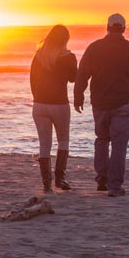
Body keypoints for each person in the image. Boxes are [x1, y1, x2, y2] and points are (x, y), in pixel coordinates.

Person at [74, 13, 129, 196]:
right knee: (119, 145)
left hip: (100, 103)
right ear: (123, 28)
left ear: (107, 27)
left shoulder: (94, 48)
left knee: (101, 140)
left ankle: (101, 179)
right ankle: (114, 186)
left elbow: (82, 74)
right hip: (122, 103)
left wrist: (78, 96)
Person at [30, 24, 78, 193]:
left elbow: (32, 80)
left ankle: (46, 184)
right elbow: (73, 79)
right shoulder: (68, 57)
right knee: (63, 140)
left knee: (44, 144)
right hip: (59, 104)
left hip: (39, 104)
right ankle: (60, 178)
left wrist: (38, 98)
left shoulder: (39, 56)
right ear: (66, 40)